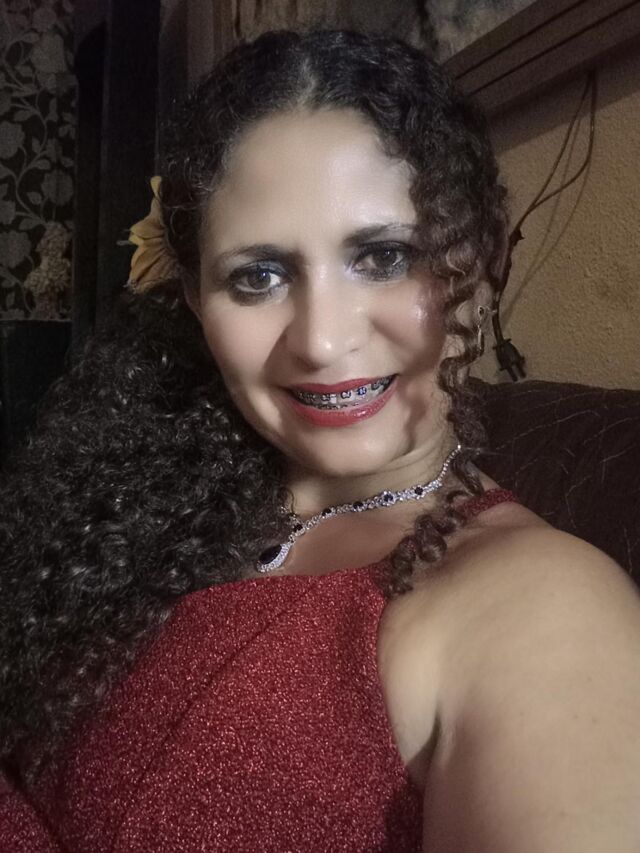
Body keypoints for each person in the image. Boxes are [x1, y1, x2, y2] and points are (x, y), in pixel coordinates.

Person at [1, 29, 639, 853]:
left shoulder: (543, 610)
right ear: (195, 299)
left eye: (383, 256)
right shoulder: (144, 492)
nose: (322, 340)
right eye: (258, 276)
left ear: (475, 265)